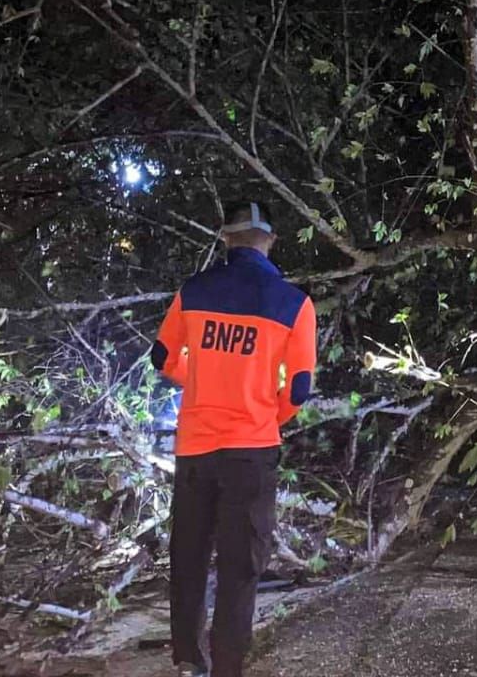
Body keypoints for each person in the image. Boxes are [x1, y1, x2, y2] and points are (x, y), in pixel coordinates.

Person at [151, 200, 317, 677]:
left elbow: (162, 357)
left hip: (196, 447)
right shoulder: (293, 302)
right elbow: (300, 387)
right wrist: (271, 413)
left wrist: (201, 379)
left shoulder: (195, 290)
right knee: (240, 567)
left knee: (188, 556)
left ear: (225, 239)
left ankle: (187, 660)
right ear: (269, 242)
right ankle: (227, 668)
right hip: (251, 447)